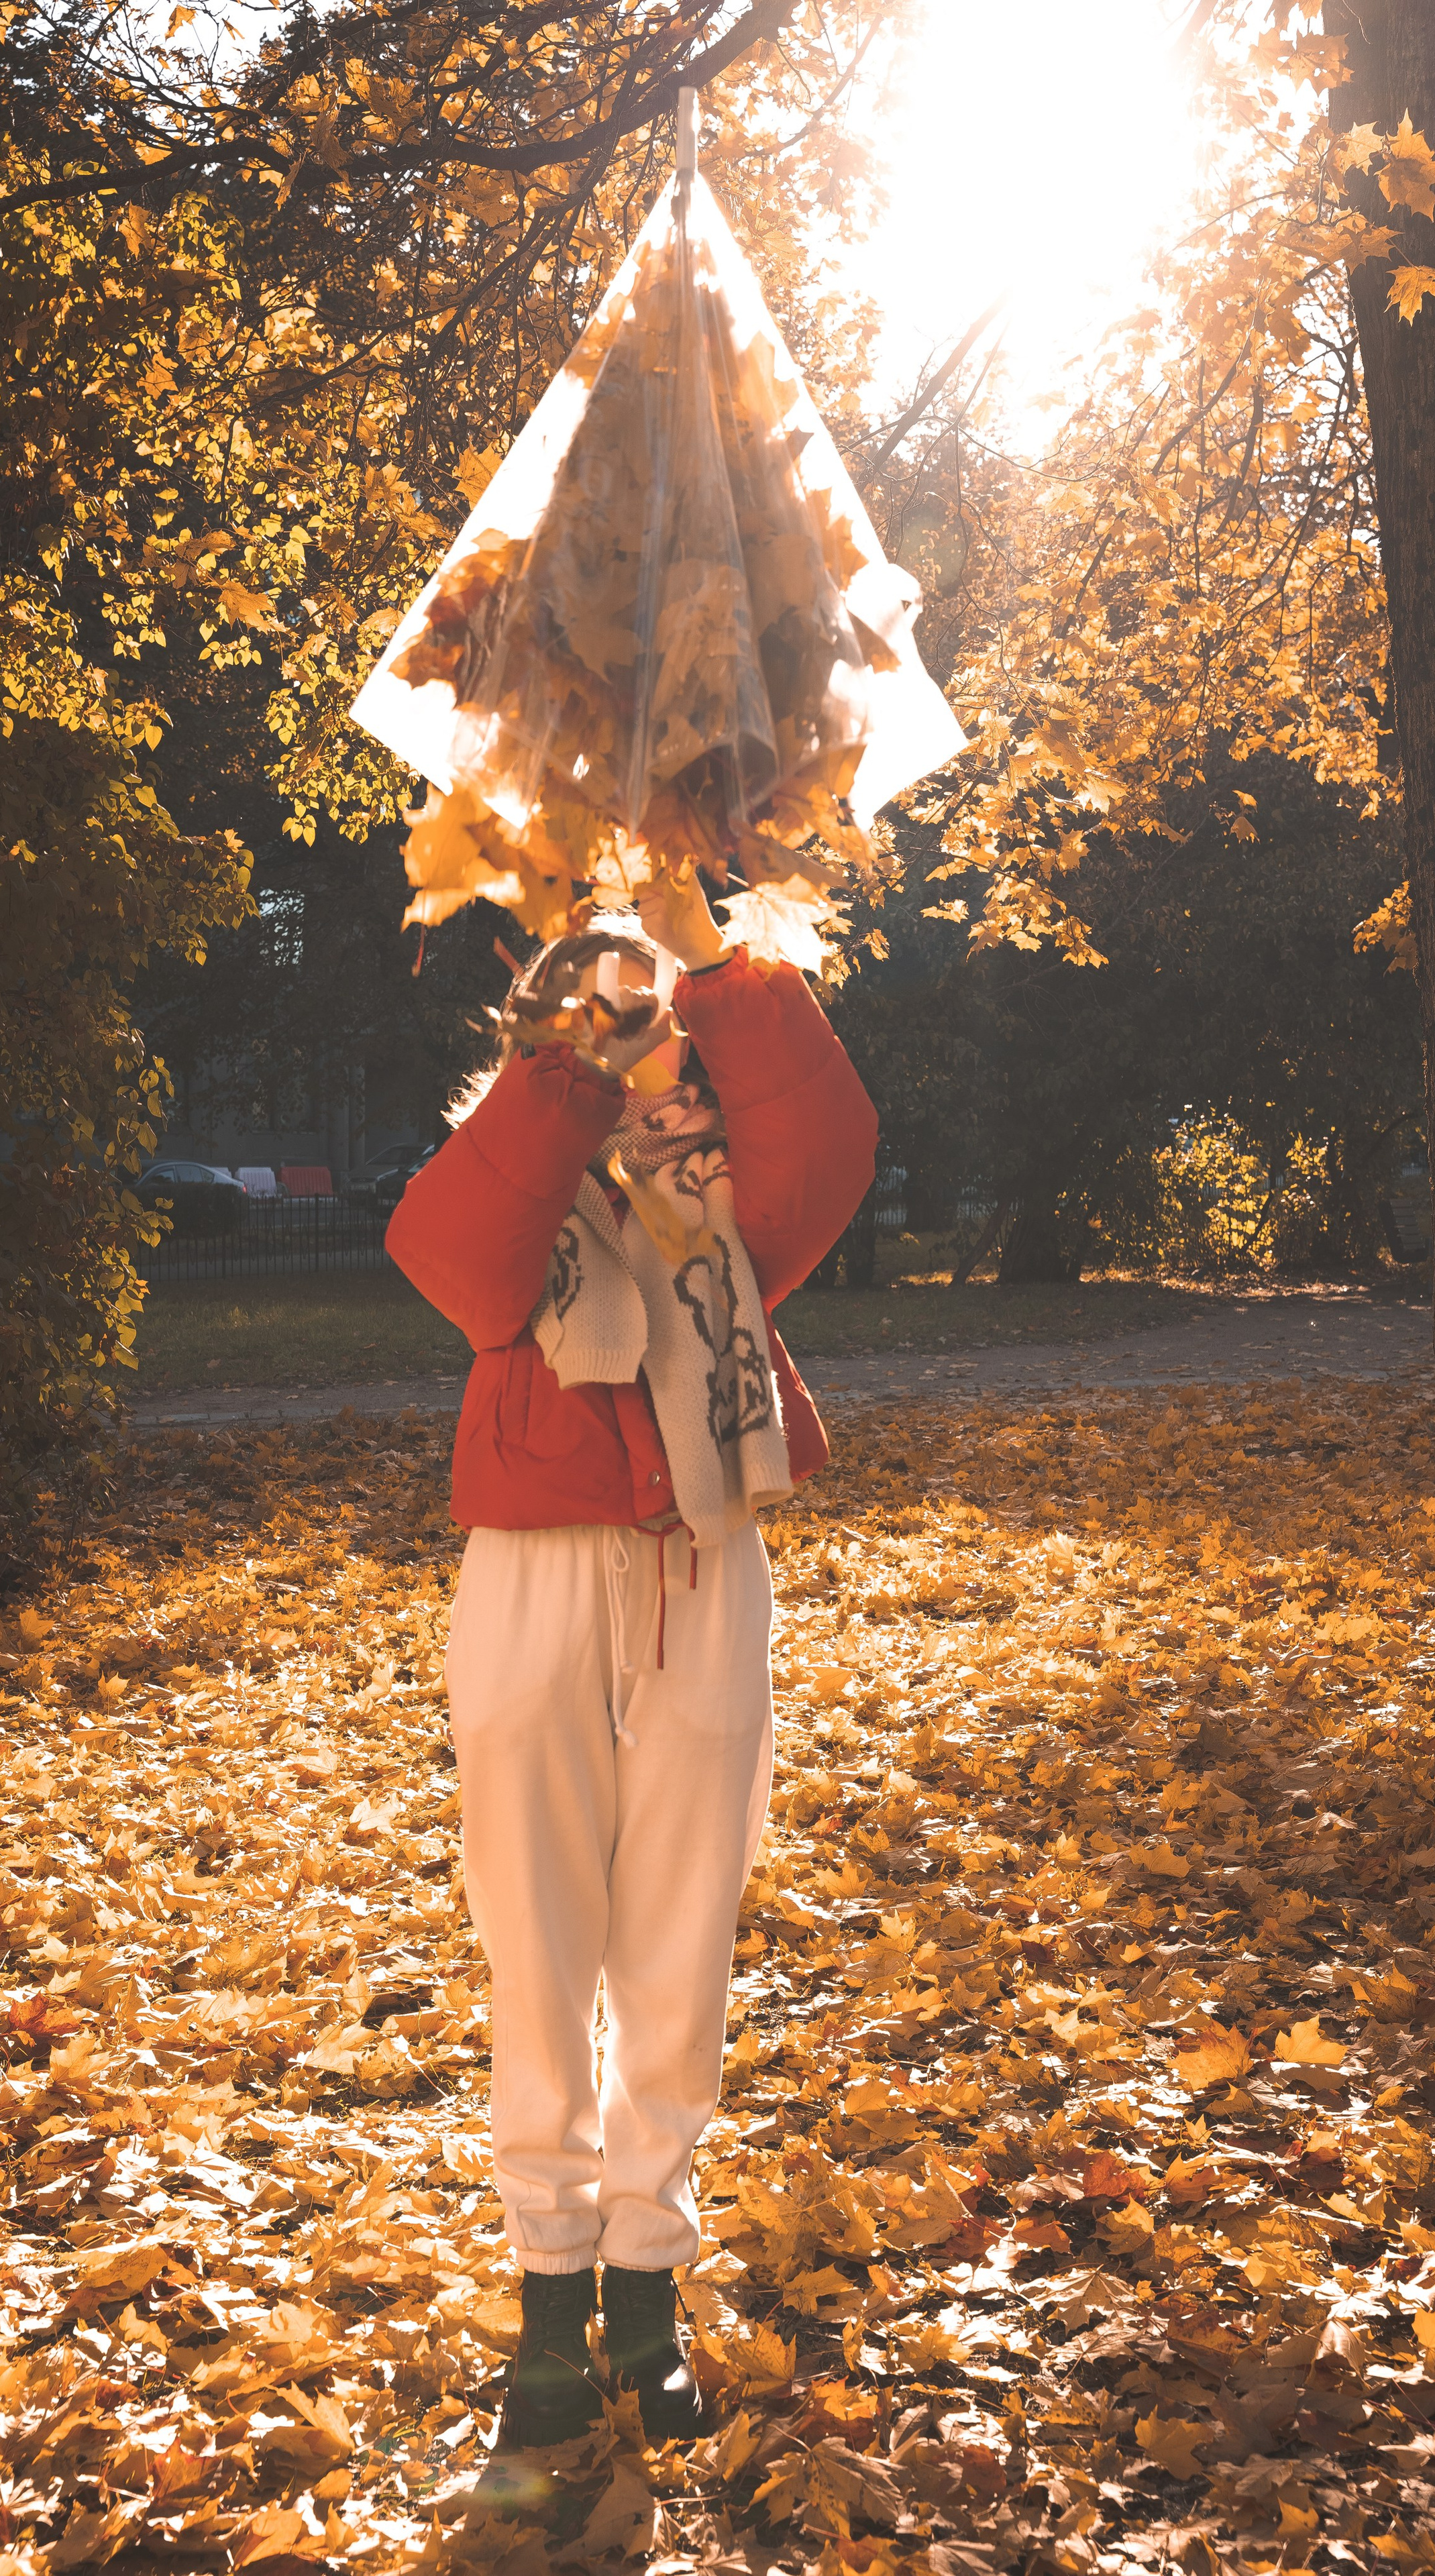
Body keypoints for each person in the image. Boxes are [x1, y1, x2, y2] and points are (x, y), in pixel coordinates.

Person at [385, 867, 876, 2448]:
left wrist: (712, 956)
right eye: (631, 1069)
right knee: (536, 1946)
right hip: (530, 1584)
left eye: (679, 1067)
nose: (669, 1103)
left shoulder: (738, 1231)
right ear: (560, 1068)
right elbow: (453, 1265)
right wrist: (573, 1056)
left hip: (703, 1574)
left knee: (677, 1951)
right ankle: (547, 2290)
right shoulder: (518, 1184)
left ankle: (647, 2288)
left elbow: (829, 1144)